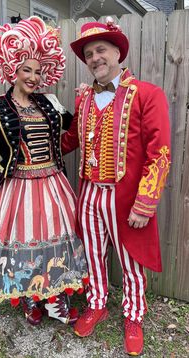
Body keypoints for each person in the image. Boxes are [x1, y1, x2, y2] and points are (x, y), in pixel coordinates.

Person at [0, 16, 88, 327]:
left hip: (53, 184)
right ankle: (32, 298)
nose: (33, 77)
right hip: (17, 187)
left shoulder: (50, 104)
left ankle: (56, 299)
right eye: (26, 70)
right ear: (13, 70)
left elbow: (77, 125)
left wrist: (84, 98)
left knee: (57, 241)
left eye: (37, 72)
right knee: (25, 244)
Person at [61, 17, 171, 356]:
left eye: (101, 50)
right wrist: (31, 132)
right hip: (90, 193)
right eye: (89, 54)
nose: (95, 58)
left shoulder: (147, 95)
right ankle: (97, 303)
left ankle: (134, 314)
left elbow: (160, 152)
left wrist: (145, 202)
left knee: (129, 260)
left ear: (117, 52)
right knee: (93, 255)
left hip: (125, 199)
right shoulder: (83, 100)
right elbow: (69, 141)